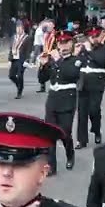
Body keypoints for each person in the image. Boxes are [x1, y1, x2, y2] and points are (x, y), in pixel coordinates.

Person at [37, 32, 81, 174]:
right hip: (52, 100)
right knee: (49, 134)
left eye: (67, 42)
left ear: (71, 44)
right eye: (61, 43)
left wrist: (55, 61)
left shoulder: (76, 60)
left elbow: (71, 74)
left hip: (67, 100)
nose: (64, 45)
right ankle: (51, 166)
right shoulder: (53, 60)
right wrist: (43, 66)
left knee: (65, 133)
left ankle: (70, 153)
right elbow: (42, 79)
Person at [75, 26, 105, 148]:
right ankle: (81, 140)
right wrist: (76, 54)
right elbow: (77, 64)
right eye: (91, 37)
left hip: (96, 84)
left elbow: (101, 61)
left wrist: (88, 50)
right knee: (82, 113)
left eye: (96, 36)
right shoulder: (82, 49)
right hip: (82, 83)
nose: (93, 39)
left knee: (94, 110)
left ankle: (96, 130)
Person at [8, 23, 32, 98]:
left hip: (21, 59)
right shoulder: (14, 37)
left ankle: (19, 92)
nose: (18, 30)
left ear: (23, 29)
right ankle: (19, 85)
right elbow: (11, 49)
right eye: (17, 28)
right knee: (11, 75)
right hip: (14, 59)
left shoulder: (27, 38)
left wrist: (27, 60)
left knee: (20, 75)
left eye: (20, 28)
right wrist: (9, 59)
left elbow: (28, 50)